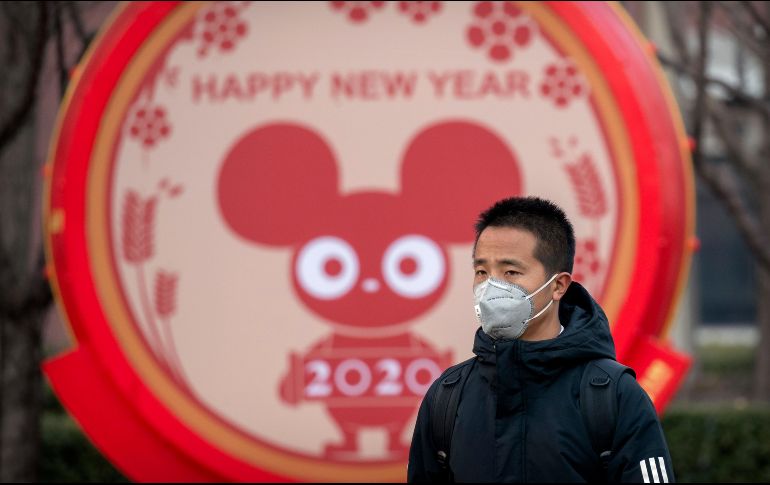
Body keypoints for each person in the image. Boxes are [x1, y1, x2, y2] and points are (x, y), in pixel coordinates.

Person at [407, 196, 674, 483]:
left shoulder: (613, 395)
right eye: (482, 271)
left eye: (511, 272)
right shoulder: (448, 397)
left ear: (558, 286)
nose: (491, 286)